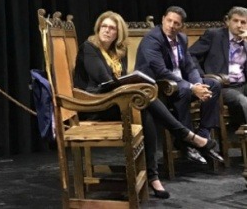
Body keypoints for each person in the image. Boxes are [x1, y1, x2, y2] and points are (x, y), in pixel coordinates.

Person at [74, 11, 218, 199]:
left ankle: (153, 176)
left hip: (115, 101)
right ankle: (186, 136)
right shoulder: (89, 47)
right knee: (145, 99)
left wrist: (132, 83)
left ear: (118, 33)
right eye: (104, 27)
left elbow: (117, 81)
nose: (107, 31)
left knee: (145, 109)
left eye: (112, 28)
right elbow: (103, 80)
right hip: (95, 105)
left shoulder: (117, 52)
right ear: (98, 28)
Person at [135, 6, 224, 165]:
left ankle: (203, 133)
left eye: (176, 23)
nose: (171, 25)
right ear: (162, 19)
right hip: (157, 87)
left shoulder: (182, 39)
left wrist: (197, 84)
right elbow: (160, 71)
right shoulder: (152, 39)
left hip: (180, 82)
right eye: (169, 21)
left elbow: (190, 66)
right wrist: (191, 87)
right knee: (182, 89)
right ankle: (186, 141)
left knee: (214, 85)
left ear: (181, 26)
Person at [189, 6, 247, 128]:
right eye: (235, 21)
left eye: (243, 22)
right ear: (228, 21)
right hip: (224, 86)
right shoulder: (214, 35)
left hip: (243, 84)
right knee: (243, 101)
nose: (239, 25)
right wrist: (202, 77)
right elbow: (190, 55)